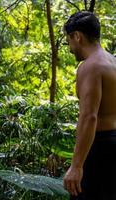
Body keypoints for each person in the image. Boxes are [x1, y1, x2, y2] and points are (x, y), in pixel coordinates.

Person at [63, 11, 116, 200]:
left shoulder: (91, 66)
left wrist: (76, 166)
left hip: (99, 148)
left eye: (68, 41)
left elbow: (89, 116)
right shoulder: (112, 61)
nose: (69, 47)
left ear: (77, 36)